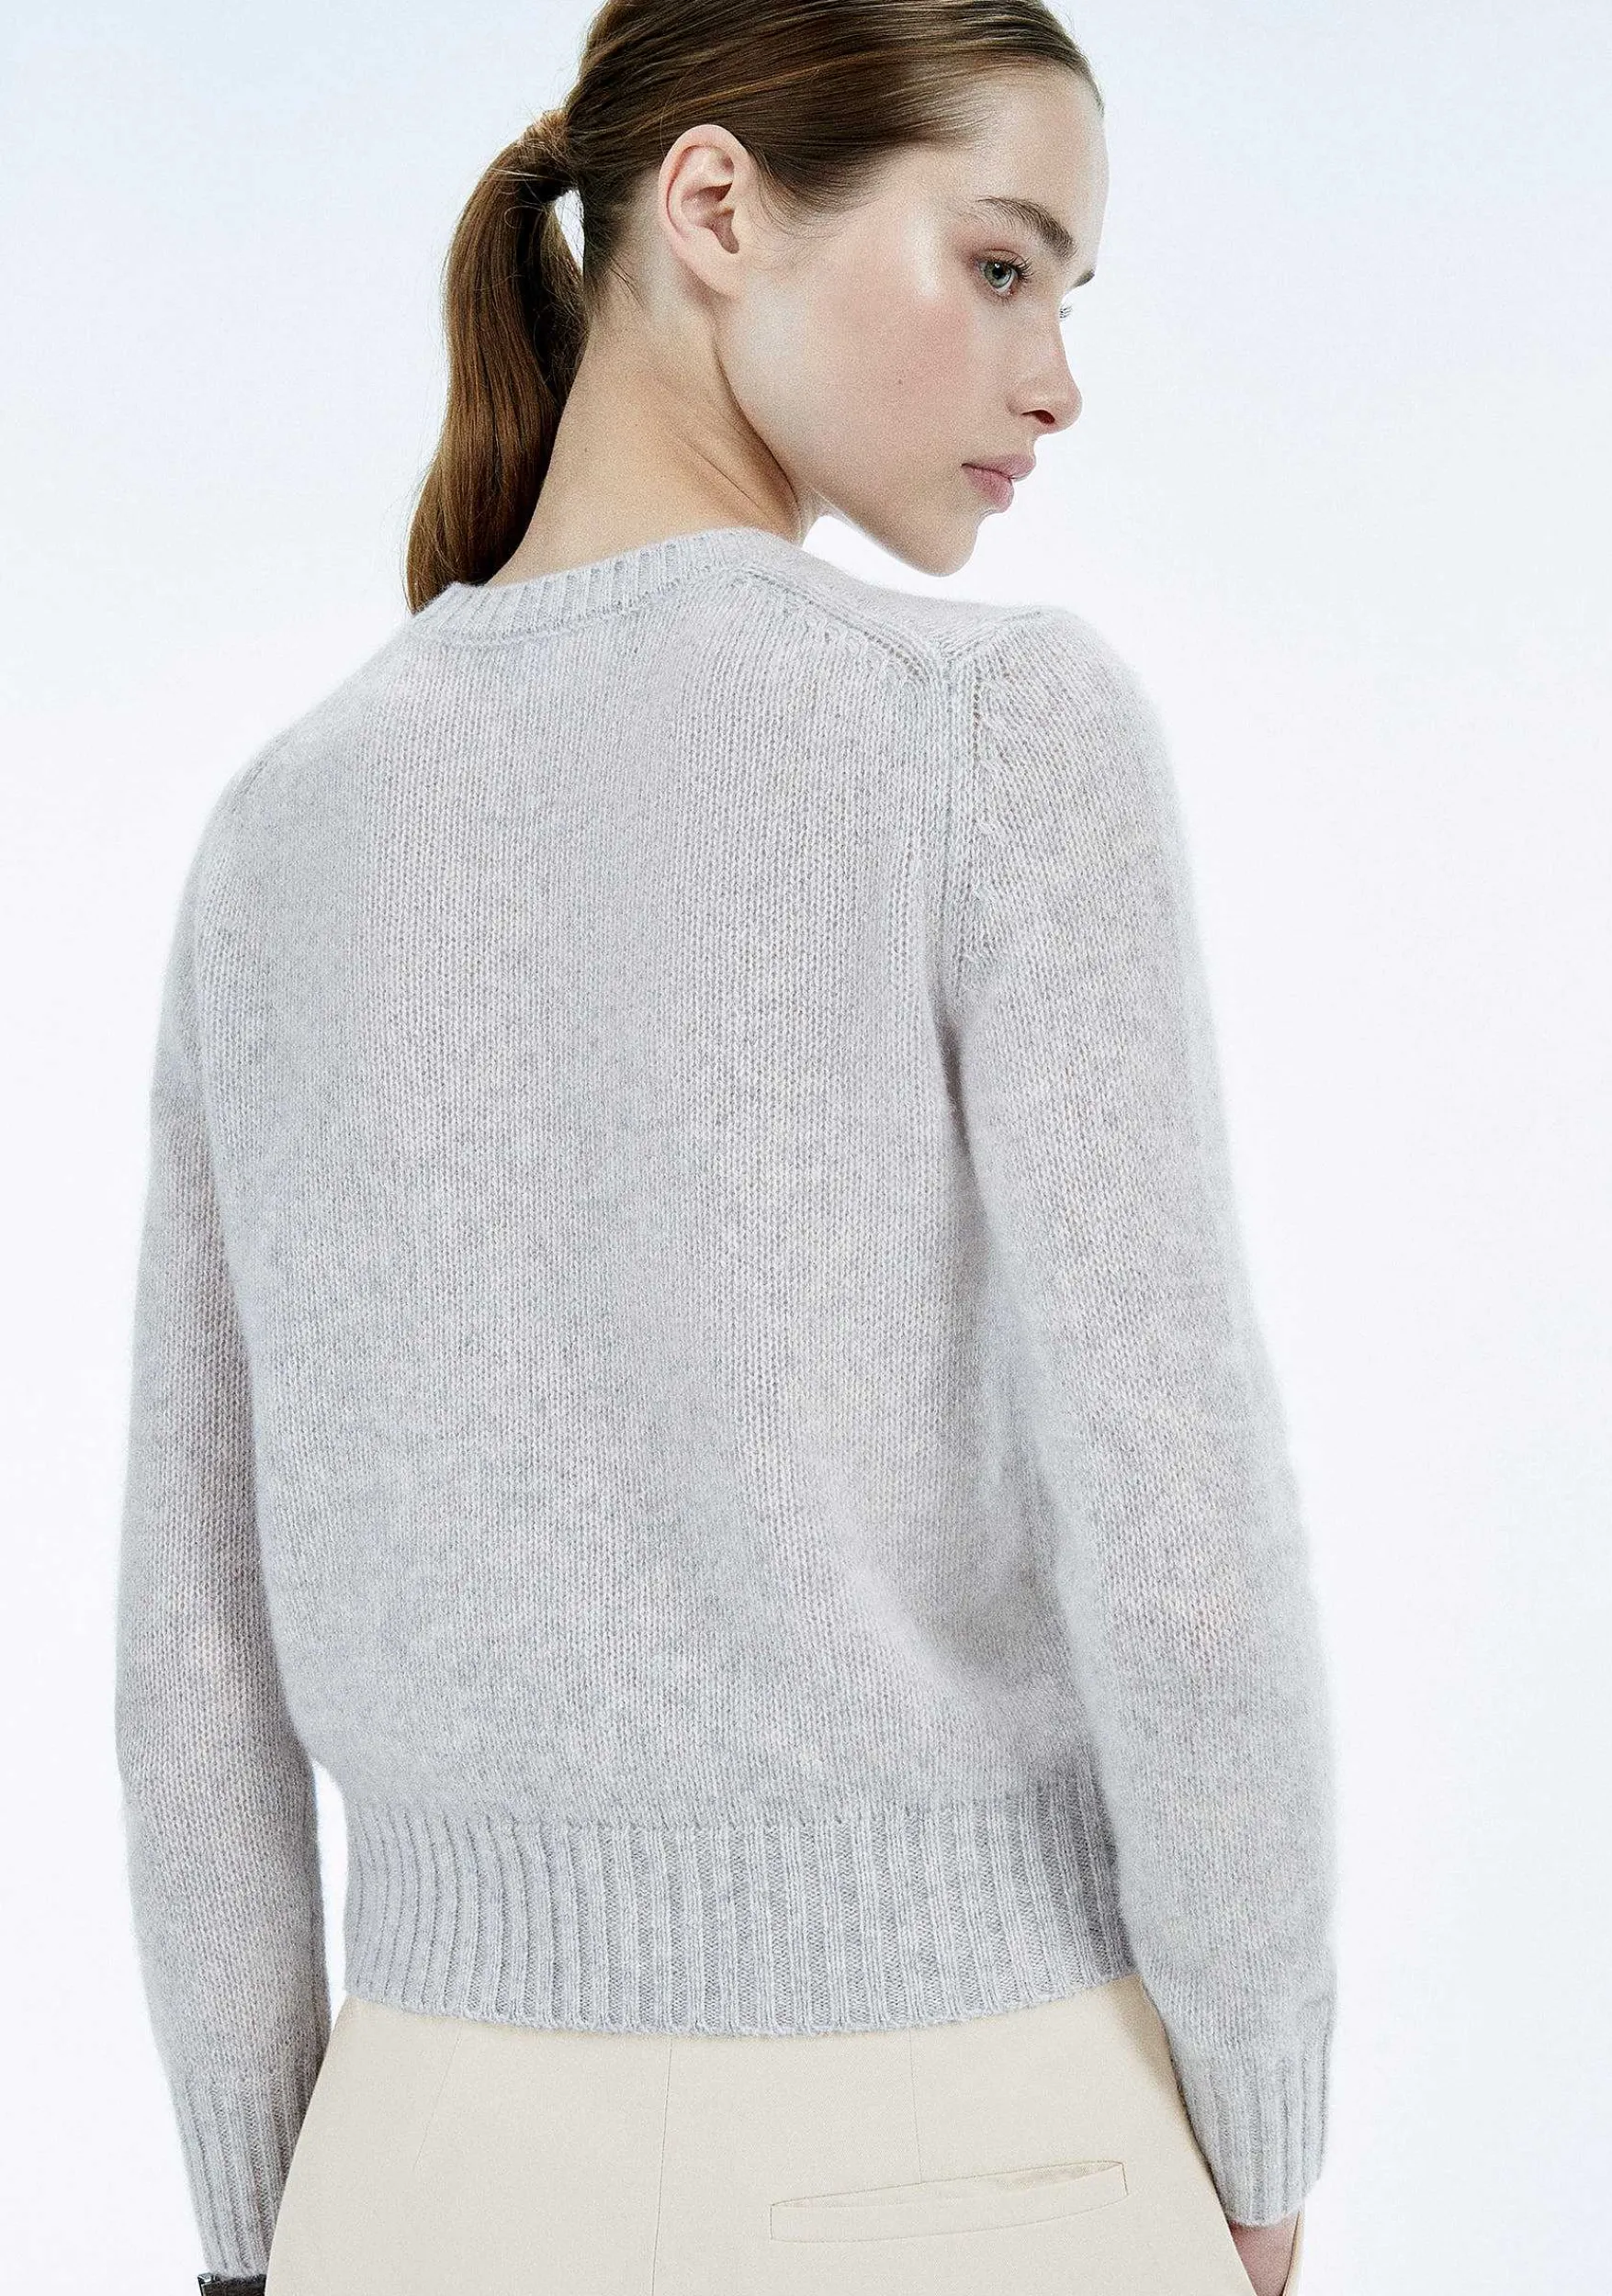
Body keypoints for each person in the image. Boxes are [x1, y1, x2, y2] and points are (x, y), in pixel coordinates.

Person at [113, 4, 1337, 2292]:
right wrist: (1259, 2118)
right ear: (710, 207)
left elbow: (194, 1651)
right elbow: (1172, 1512)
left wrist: (261, 2210)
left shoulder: (279, 829)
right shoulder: (992, 733)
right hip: (966, 2131)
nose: (1057, 377)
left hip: (414, 2167)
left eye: (1069, 296)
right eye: (1000, 266)